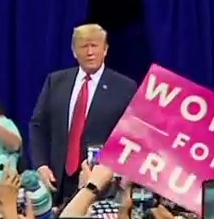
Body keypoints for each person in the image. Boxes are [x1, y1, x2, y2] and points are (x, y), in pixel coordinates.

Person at [29, 23, 137, 201]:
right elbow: (38, 126)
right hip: (58, 183)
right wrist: (41, 165)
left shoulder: (124, 87)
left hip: (101, 186)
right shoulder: (56, 82)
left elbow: (131, 136)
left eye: (94, 46)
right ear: (74, 51)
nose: (89, 52)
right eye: (83, 46)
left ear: (105, 49)